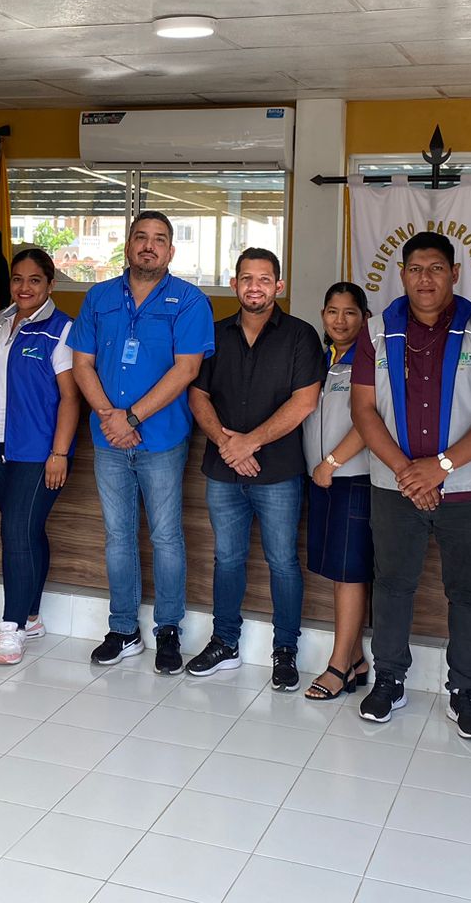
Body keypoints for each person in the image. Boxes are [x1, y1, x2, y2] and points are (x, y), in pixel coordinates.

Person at [350, 234, 471, 738]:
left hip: (467, 488)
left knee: (469, 592)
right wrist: (410, 472)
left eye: (436, 268)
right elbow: (363, 410)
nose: (425, 279)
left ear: (454, 273)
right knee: (392, 585)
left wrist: (441, 467)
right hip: (395, 486)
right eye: (415, 269)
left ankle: (464, 691)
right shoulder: (376, 331)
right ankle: (389, 681)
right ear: (402, 274)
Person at [69, 211, 214, 675]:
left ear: (171, 251)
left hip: (163, 439)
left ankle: (168, 630)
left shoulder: (189, 301)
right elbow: (82, 364)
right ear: (128, 244)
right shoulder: (98, 297)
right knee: (118, 537)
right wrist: (110, 419)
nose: (149, 246)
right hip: (109, 440)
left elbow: (187, 369)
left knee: (167, 536)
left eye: (159, 239)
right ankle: (123, 629)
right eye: (141, 237)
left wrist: (130, 417)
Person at [187, 249, 323, 689]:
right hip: (224, 470)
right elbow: (197, 395)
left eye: (264, 279)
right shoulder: (214, 334)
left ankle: (285, 651)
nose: (255, 287)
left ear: (279, 286)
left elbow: (305, 401)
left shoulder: (300, 335)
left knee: (282, 561)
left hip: (278, 470)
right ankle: (224, 642)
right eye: (247, 278)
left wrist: (250, 441)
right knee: (227, 559)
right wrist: (228, 443)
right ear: (235, 284)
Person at [0, 248, 80, 665]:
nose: (24, 287)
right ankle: (32, 617)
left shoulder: (62, 329)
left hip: (37, 450)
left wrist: (59, 452)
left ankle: (12, 626)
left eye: (34, 280)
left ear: (50, 284)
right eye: (18, 279)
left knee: (16, 532)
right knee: (27, 530)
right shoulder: (0, 322)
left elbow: (71, 398)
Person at [302, 282, 374, 701]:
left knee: (350, 574)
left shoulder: (371, 359)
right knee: (339, 572)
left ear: (365, 317)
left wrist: (331, 463)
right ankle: (356, 658)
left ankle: (338, 666)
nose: (340, 320)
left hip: (353, 478)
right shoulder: (321, 358)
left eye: (350, 312)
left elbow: (370, 420)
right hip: (323, 480)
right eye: (332, 311)